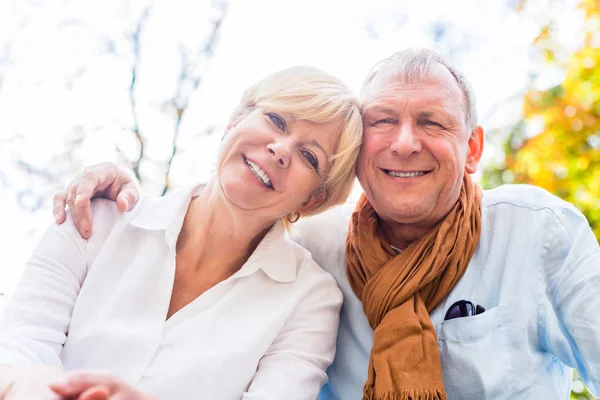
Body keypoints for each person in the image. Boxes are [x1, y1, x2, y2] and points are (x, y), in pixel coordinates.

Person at [52, 48, 600, 400]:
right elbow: (237, 204)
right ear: (358, 155)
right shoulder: (314, 250)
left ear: (473, 147)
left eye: (431, 122)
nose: (404, 142)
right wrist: (124, 190)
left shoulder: (539, 233)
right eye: (383, 120)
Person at [0, 66, 365, 400]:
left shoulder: (310, 300)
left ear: (314, 199)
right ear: (235, 120)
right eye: (275, 120)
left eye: (309, 157)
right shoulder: (96, 218)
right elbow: (18, 349)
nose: (280, 149)